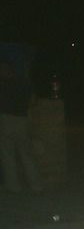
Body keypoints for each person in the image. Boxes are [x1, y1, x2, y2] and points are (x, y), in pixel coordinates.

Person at [0, 60, 42, 192]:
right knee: (27, 154)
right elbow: (33, 101)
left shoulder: (2, 85)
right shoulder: (24, 83)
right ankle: (36, 185)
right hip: (22, 119)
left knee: (7, 155)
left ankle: (13, 186)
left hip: (5, 119)